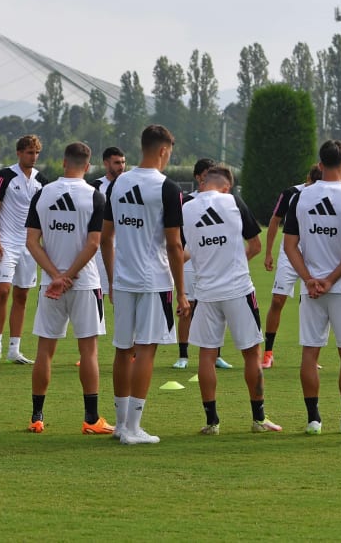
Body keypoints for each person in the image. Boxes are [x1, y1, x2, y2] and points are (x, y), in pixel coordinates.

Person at [101, 124, 189, 445]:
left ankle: (121, 425)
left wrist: (112, 279)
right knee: (146, 350)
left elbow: (106, 238)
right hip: (153, 281)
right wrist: (182, 293)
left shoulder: (119, 182)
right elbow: (174, 245)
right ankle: (133, 429)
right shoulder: (168, 188)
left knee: (123, 350)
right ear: (164, 150)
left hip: (123, 280)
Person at [23, 142, 115, 435]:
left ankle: (36, 416)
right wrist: (69, 276)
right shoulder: (95, 196)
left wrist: (55, 276)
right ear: (88, 166)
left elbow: (31, 242)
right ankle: (91, 419)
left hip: (51, 286)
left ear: (64, 163)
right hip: (84, 282)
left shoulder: (43, 193)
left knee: (44, 352)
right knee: (88, 351)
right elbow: (93, 244)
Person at [183, 165, 282, 435]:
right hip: (238, 289)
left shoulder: (186, 207)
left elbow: (180, 253)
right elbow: (257, 245)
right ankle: (259, 419)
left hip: (204, 292)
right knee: (252, 354)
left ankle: (211, 422)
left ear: (202, 183)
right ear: (226, 187)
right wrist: (235, 262)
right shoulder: (233, 201)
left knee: (206, 354)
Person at [282, 140, 341, 435]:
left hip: (312, 290)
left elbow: (289, 245)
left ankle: (313, 420)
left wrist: (309, 278)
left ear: (320, 165)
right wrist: (331, 279)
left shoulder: (301, 197)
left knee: (310, 353)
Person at [0, 134, 45, 365]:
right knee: (3, 291)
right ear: (19, 153)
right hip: (7, 243)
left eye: (36, 153)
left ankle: (14, 349)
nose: (33, 157)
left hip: (30, 245)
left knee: (22, 295)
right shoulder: (4, 176)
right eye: (29, 152)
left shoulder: (43, 180)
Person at [260, 166, 321, 369]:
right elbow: (275, 220)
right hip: (289, 250)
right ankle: (268, 352)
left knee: (314, 303)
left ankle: (313, 356)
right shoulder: (291, 193)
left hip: (313, 253)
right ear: (308, 179)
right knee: (278, 300)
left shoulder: (327, 195)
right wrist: (269, 252)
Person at [174, 157, 232, 371]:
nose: (211, 177)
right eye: (207, 173)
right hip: (190, 262)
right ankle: (183, 355)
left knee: (217, 308)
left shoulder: (223, 200)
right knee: (188, 308)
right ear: (199, 177)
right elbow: (178, 235)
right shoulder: (186, 201)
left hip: (214, 263)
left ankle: (216, 354)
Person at [89, 146, 126, 298]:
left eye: (123, 162)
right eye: (117, 163)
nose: (121, 166)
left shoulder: (128, 185)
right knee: (98, 296)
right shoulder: (94, 187)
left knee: (123, 297)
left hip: (124, 249)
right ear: (106, 163)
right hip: (99, 250)